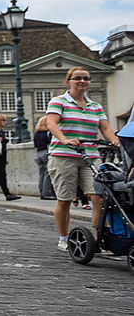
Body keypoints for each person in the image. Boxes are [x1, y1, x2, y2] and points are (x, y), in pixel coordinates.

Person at [45, 66, 121, 251]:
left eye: (86, 78)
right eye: (77, 78)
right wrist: (64, 139)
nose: (82, 81)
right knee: (65, 199)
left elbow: (105, 127)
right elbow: (51, 123)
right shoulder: (59, 101)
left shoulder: (95, 106)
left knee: (99, 198)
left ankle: (99, 238)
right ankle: (64, 237)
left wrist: (115, 140)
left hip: (91, 156)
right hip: (63, 155)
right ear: (68, 81)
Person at [33, 115, 56, 199]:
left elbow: (35, 146)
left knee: (41, 173)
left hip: (39, 153)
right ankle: (47, 193)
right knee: (48, 174)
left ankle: (41, 191)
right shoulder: (48, 133)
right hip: (46, 152)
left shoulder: (36, 133)